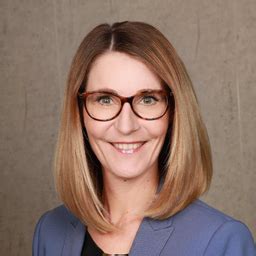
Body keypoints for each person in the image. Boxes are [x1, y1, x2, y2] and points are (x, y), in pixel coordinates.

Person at [32, 21, 256, 256]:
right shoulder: (49, 232)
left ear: (173, 112)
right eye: (105, 99)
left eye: (148, 99)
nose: (126, 126)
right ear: (79, 114)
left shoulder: (221, 240)